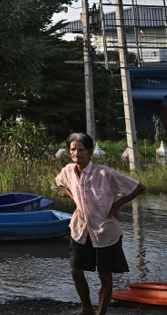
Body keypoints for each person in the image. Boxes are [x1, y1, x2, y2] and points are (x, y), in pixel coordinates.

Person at [55, 132, 145, 315]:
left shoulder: (104, 173)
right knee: (75, 271)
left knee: (104, 275)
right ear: (69, 151)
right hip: (80, 229)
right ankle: (87, 308)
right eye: (73, 149)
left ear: (89, 152)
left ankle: (101, 313)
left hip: (104, 230)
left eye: (81, 150)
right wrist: (74, 197)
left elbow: (138, 187)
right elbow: (60, 182)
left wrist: (116, 206)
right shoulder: (68, 170)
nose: (77, 153)